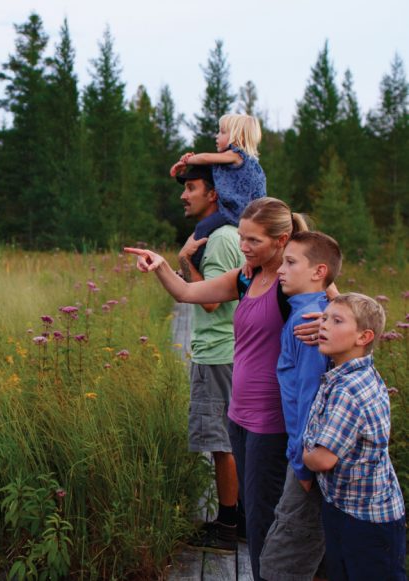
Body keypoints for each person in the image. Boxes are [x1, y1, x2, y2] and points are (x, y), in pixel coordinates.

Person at [124, 197, 319, 581]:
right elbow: (187, 294)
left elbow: (348, 311)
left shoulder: (294, 285)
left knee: (266, 525)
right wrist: (161, 265)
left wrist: (325, 323)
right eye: (242, 238)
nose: (243, 247)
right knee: (257, 516)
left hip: (271, 422)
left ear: (282, 240)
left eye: (253, 241)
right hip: (239, 418)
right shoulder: (247, 277)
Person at [303, 293, 406, 580]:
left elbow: (323, 459)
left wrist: (303, 453)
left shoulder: (348, 389)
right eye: (323, 318)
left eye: (336, 321)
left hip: (367, 521)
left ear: (364, 337)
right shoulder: (350, 374)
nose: (323, 325)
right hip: (346, 508)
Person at [259, 231, 342, 581]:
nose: (281, 269)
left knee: (281, 564)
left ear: (318, 271)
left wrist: (303, 466)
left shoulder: (309, 322)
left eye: (291, 262)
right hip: (307, 454)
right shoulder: (315, 313)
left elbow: (310, 400)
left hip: (308, 458)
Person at [168, 164, 243, 553]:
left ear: (214, 193)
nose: (184, 195)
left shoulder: (217, 242)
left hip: (218, 352)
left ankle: (227, 526)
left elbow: (211, 300)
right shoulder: (228, 236)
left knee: (221, 442)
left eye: (192, 187)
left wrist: (186, 263)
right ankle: (242, 518)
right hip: (231, 351)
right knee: (232, 438)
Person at [170, 114, 266, 270]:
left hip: (236, 212)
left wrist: (186, 161)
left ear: (236, 137)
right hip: (248, 213)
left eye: (222, 132)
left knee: (202, 228)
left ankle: (191, 265)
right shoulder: (240, 162)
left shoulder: (236, 155)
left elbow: (207, 158)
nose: (217, 136)